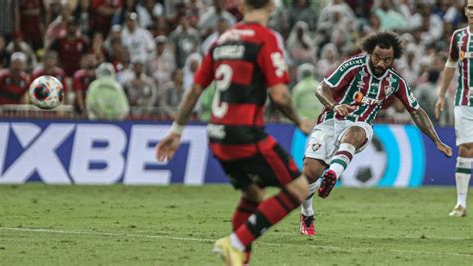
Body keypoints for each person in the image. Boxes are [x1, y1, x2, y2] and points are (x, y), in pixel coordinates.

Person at [155, 1, 312, 265]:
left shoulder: (222, 40)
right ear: (272, 7)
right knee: (299, 189)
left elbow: (194, 90)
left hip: (217, 135)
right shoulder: (266, 38)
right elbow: (280, 95)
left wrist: (177, 130)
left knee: (253, 195)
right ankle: (235, 243)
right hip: (246, 134)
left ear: (240, 6)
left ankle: (239, 259)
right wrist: (299, 120)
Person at [299, 31, 453, 238]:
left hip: (361, 126)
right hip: (330, 122)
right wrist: (334, 105)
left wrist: (437, 141)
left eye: (387, 60)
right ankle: (307, 213)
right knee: (309, 173)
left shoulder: (395, 82)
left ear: (394, 58)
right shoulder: (352, 66)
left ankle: (332, 174)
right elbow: (321, 89)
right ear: (370, 53)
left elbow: (416, 111)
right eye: (377, 58)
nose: (381, 63)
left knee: (354, 132)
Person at [435, 0, 473, 218]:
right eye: (470, 8)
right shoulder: (459, 37)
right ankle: (460, 203)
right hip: (464, 101)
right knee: (466, 148)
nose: (472, 11)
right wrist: (441, 94)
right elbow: (450, 64)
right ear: (466, 11)